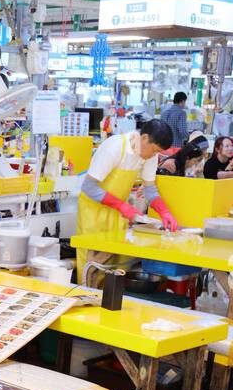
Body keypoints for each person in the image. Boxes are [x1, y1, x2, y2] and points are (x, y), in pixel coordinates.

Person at [76, 119, 179, 280]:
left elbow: (150, 189)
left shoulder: (150, 155)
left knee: (116, 265)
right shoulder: (115, 147)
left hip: (118, 213)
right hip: (93, 213)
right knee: (92, 266)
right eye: (154, 150)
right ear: (144, 138)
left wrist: (164, 212)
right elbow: (89, 187)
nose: (154, 155)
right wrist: (123, 206)